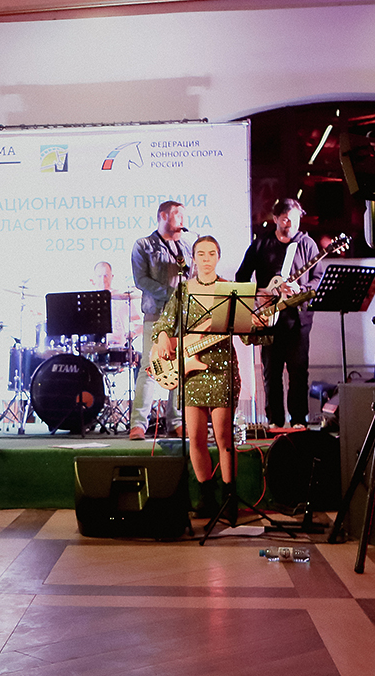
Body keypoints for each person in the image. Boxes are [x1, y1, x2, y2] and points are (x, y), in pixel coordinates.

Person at [151, 235, 242, 517]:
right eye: (201, 254)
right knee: (196, 438)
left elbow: (248, 333)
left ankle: (229, 498)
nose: (206, 259)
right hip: (192, 369)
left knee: (224, 438)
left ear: (218, 256)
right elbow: (165, 323)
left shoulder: (230, 290)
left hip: (221, 367)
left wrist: (260, 323)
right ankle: (206, 499)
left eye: (211, 253)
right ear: (193, 258)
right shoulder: (183, 289)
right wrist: (163, 336)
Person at [235, 198, 324, 429]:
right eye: (285, 219)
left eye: (294, 219)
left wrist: (301, 289)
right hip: (268, 318)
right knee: (271, 372)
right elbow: (241, 277)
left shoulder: (307, 244)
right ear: (275, 219)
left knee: (298, 371)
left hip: (298, 319)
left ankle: (298, 420)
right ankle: (274, 420)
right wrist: (259, 294)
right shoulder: (261, 245)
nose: (290, 224)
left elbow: (318, 278)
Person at [129, 201, 191, 440]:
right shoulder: (143, 245)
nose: (182, 219)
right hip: (156, 314)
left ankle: (176, 421)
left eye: (184, 215)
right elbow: (141, 280)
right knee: (150, 367)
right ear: (163, 216)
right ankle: (138, 424)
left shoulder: (186, 246)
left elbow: (192, 277)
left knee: (180, 366)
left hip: (182, 317)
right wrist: (172, 295)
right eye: (177, 214)